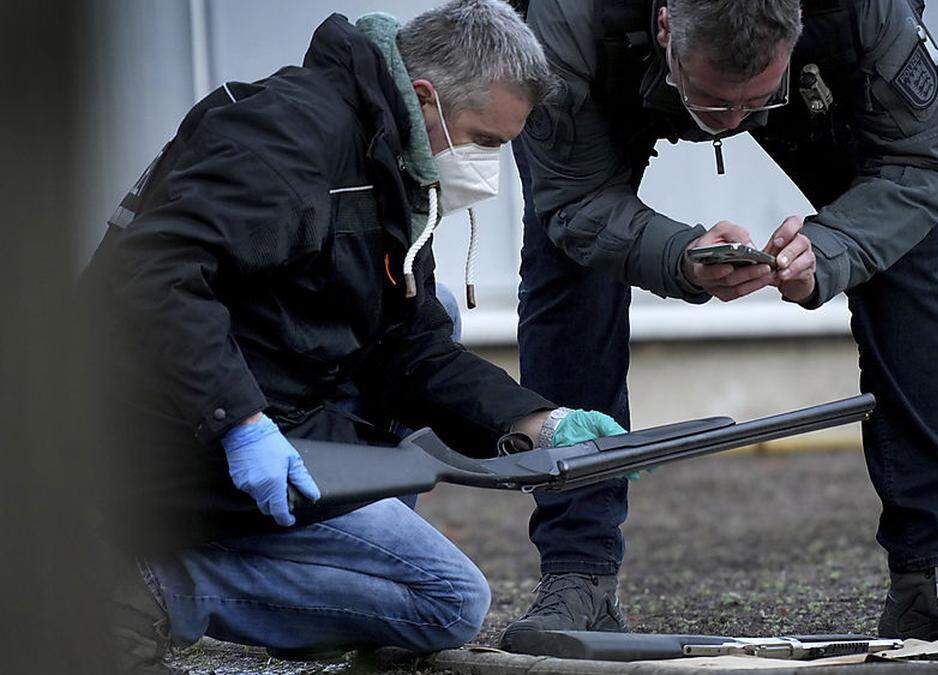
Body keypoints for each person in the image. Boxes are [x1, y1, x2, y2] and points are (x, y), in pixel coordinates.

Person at [81, 1, 628, 671]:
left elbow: (415, 344)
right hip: (164, 428)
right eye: (485, 139)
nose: (490, 165)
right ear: (426, 97)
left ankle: (281, 570)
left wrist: (537, 420)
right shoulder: (285, 138)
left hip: (275, 395)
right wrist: (239, 422)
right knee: (447, 601)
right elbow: (154, 276)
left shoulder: (391, 157)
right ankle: (156, 580)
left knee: (440, 307)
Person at [503, 0, 938, 646]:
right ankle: (578, 578)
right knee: (566, 254)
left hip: (800, 56)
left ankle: (936, 571)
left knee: (906, 241)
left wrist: (835, 247)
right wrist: (677, 256)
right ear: (665, 28)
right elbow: (574, 198)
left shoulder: (861, 11)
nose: (733, 125)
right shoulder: (570, 19)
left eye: (754, 102)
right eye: (715, 104)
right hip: (618, 60)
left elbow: (923, 160)